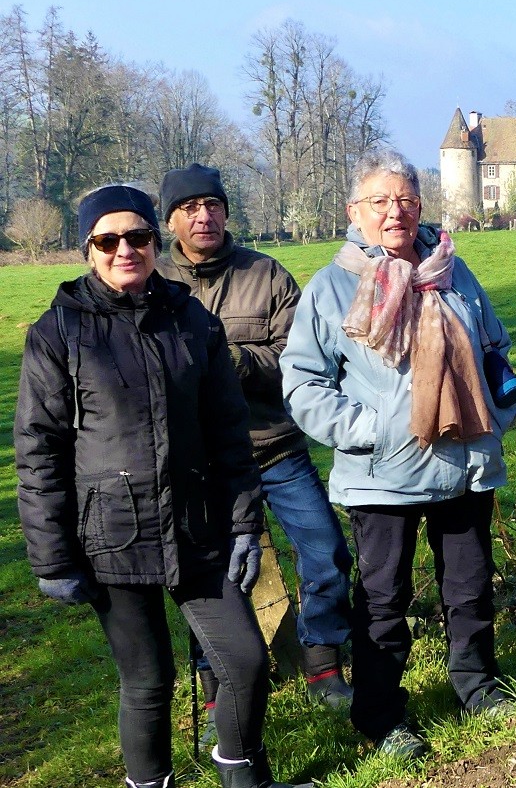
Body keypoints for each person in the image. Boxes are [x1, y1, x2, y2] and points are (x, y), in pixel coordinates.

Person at [14, 185, 310, 788]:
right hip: (112, 537)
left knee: (247, 663)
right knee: (148, 680)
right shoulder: (58, 332)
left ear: (155, 241)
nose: (126, 249)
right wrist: (52, 559)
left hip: (197, 525)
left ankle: (241, 776)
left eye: (139, 237)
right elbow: (38, 451)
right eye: (109, 240)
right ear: (89, 249)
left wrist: (245, 525)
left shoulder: (190, 318)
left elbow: (230, 431)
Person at [281, 148, 516, 760]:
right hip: (383, 472)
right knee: (383, 601)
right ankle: (383, 715)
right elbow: (304, 382)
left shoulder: (452, 269)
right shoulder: (333, 286)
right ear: (354, 211)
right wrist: (371, 431)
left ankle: (476, 684)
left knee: (468, 586)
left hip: (466, 462)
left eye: (407, 201)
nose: (396, 213)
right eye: (381, 202)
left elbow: (494, 344)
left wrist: (498, 409)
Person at [155, 164, 354, 735]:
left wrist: (228, 363)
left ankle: (322, 663)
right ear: (170, 219)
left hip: (275, 448)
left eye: (213, 205)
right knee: (208, 574)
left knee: (326, 554)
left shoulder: (265, 275)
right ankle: (217, 680)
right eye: (190, 207)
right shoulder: (154, 280)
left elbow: (298, 359)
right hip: (199, 465)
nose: (204, 216)